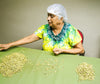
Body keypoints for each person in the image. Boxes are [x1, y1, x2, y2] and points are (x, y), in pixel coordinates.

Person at [0, 4, 84, 55]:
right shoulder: (44, 28)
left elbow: (81, 50)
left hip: (65, 61)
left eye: (51, 16)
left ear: (61, 18)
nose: (48, 19)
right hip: (46, 59)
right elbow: (29, 38)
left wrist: (62, 50)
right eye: (48, 15)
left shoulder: (70, 30)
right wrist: (9, 44)